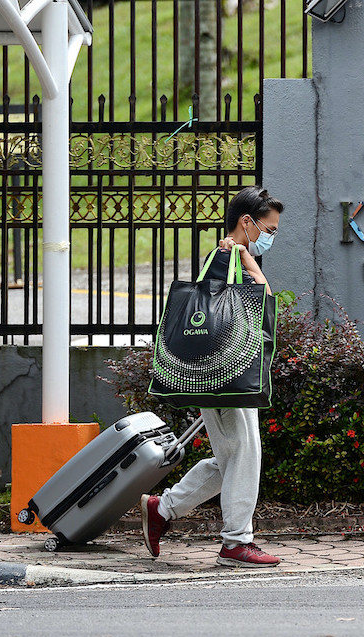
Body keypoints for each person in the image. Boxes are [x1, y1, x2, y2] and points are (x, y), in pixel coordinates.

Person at [141, 185, 284, 567]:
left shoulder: (230, 257)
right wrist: (249, 262)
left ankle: (163, 509)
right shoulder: (227, 259)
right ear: (247, 222)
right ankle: (236, 543)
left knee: (232, 460)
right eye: (269, 230)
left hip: (225, 373)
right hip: (222, 376)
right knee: (244, 455)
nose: (271, 238)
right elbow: (265, 299)